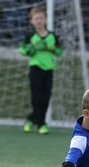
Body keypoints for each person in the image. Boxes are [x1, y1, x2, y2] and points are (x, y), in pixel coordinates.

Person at [18, 6, 63, 135]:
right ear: (32, 21)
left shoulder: (52, 36)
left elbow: (60, 51)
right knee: (36, 97)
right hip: (35, 68)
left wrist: (52, 49)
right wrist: (32, 48)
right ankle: (41, 123)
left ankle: (31, 119)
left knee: (46, 97)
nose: (39, 21)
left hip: (49, 69)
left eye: (41, 18)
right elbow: (22, 50)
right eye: (36, 19)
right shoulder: (30, 36)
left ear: (46, 20)